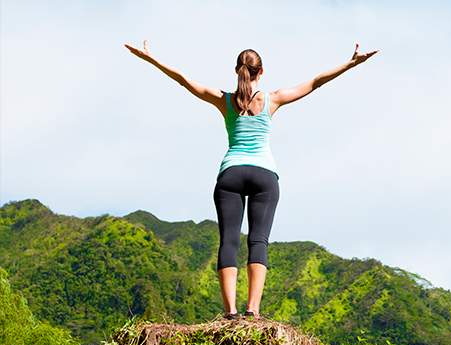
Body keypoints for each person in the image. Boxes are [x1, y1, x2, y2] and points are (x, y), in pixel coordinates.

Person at [124, 40, 378, 320]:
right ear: (262, 71)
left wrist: (152, 59)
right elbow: (316, 82)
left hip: (231, 174)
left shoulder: (224, 100)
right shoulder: (273, 99)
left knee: (228, 241)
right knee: (258, 242)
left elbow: (185, 81)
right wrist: (351, 63)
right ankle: (252, 311)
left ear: (236, 70)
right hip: (264, 176)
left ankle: (230, 312)